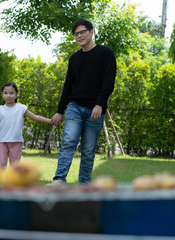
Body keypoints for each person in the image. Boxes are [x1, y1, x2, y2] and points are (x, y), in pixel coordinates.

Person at [51, 19, 116, 184]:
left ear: (91, 32)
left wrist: (100, 104)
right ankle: (59, 180)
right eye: (76, 34)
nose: (79, 36)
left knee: (88, 150)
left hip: (95, 110)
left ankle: (84, 186)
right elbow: (68, 86)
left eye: (82, 32)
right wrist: (60, 111)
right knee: (69, 140)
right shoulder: (74, 59)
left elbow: (109, 82)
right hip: (75, 107)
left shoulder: (105, 53)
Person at [0, 82, 52, 169]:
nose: (8, 95)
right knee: (1, 165)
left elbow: (35, 117)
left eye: (11, 93)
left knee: (15, 167)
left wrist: (50, 121)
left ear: (16, 95)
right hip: (3, 141)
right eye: (6, 93)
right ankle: (0, 182)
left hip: (16, 141)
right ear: (2, 95)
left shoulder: (21, 108)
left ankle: (14, 182)